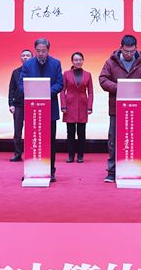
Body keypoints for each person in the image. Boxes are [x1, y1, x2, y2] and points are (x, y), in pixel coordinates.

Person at [99, 34, 141, 183]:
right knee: (113, 140)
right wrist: (119, 87)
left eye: (131, 51)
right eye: (126, 51)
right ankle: (112, 171)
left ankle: (138, 170)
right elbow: (103, 79)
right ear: (121, 48)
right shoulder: (111, 61)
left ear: (136, 48)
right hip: (116, 108)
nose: (129, 54)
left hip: (136, 108)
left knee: (136, 140)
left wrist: (137, 88)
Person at [20, 38, 63, 182]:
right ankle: (31, 170)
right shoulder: (28, 64)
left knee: (50, 142)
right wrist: (32, 92)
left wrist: (45, 92)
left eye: (43, 51)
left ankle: (50, 171)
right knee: (32, 141)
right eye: (38, 51)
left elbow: (60, 84)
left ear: (48, 50)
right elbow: (21, 84)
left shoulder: (56, 63)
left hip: (50, 109)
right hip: (32, 109)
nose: (40, 53)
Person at [60, 52, 94, 163]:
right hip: (69, 107)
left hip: (83, 106)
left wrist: (89, 107)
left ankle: (80, 156)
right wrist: (63, 106)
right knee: (70, 133)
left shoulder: (88, 74)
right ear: (72, 61)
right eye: (75, 60)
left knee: (81, 132)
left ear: (83, 60)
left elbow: (91, 92)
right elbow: (62, 91)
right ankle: (70, 155)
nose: (78, 62)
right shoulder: (66, 74)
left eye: (80, 59)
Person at [8, 49, 33, 162]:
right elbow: (11, 89)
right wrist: (11, 104)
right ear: (20, 58)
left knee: (32, 131)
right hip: (18, 105)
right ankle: (17, 154)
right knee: (17, 131)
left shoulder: (36, 71)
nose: (25, 57)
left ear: (32, 58)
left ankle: (31, 153)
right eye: (23, 55)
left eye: (28, 55)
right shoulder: (16, 72)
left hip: (32, 104)